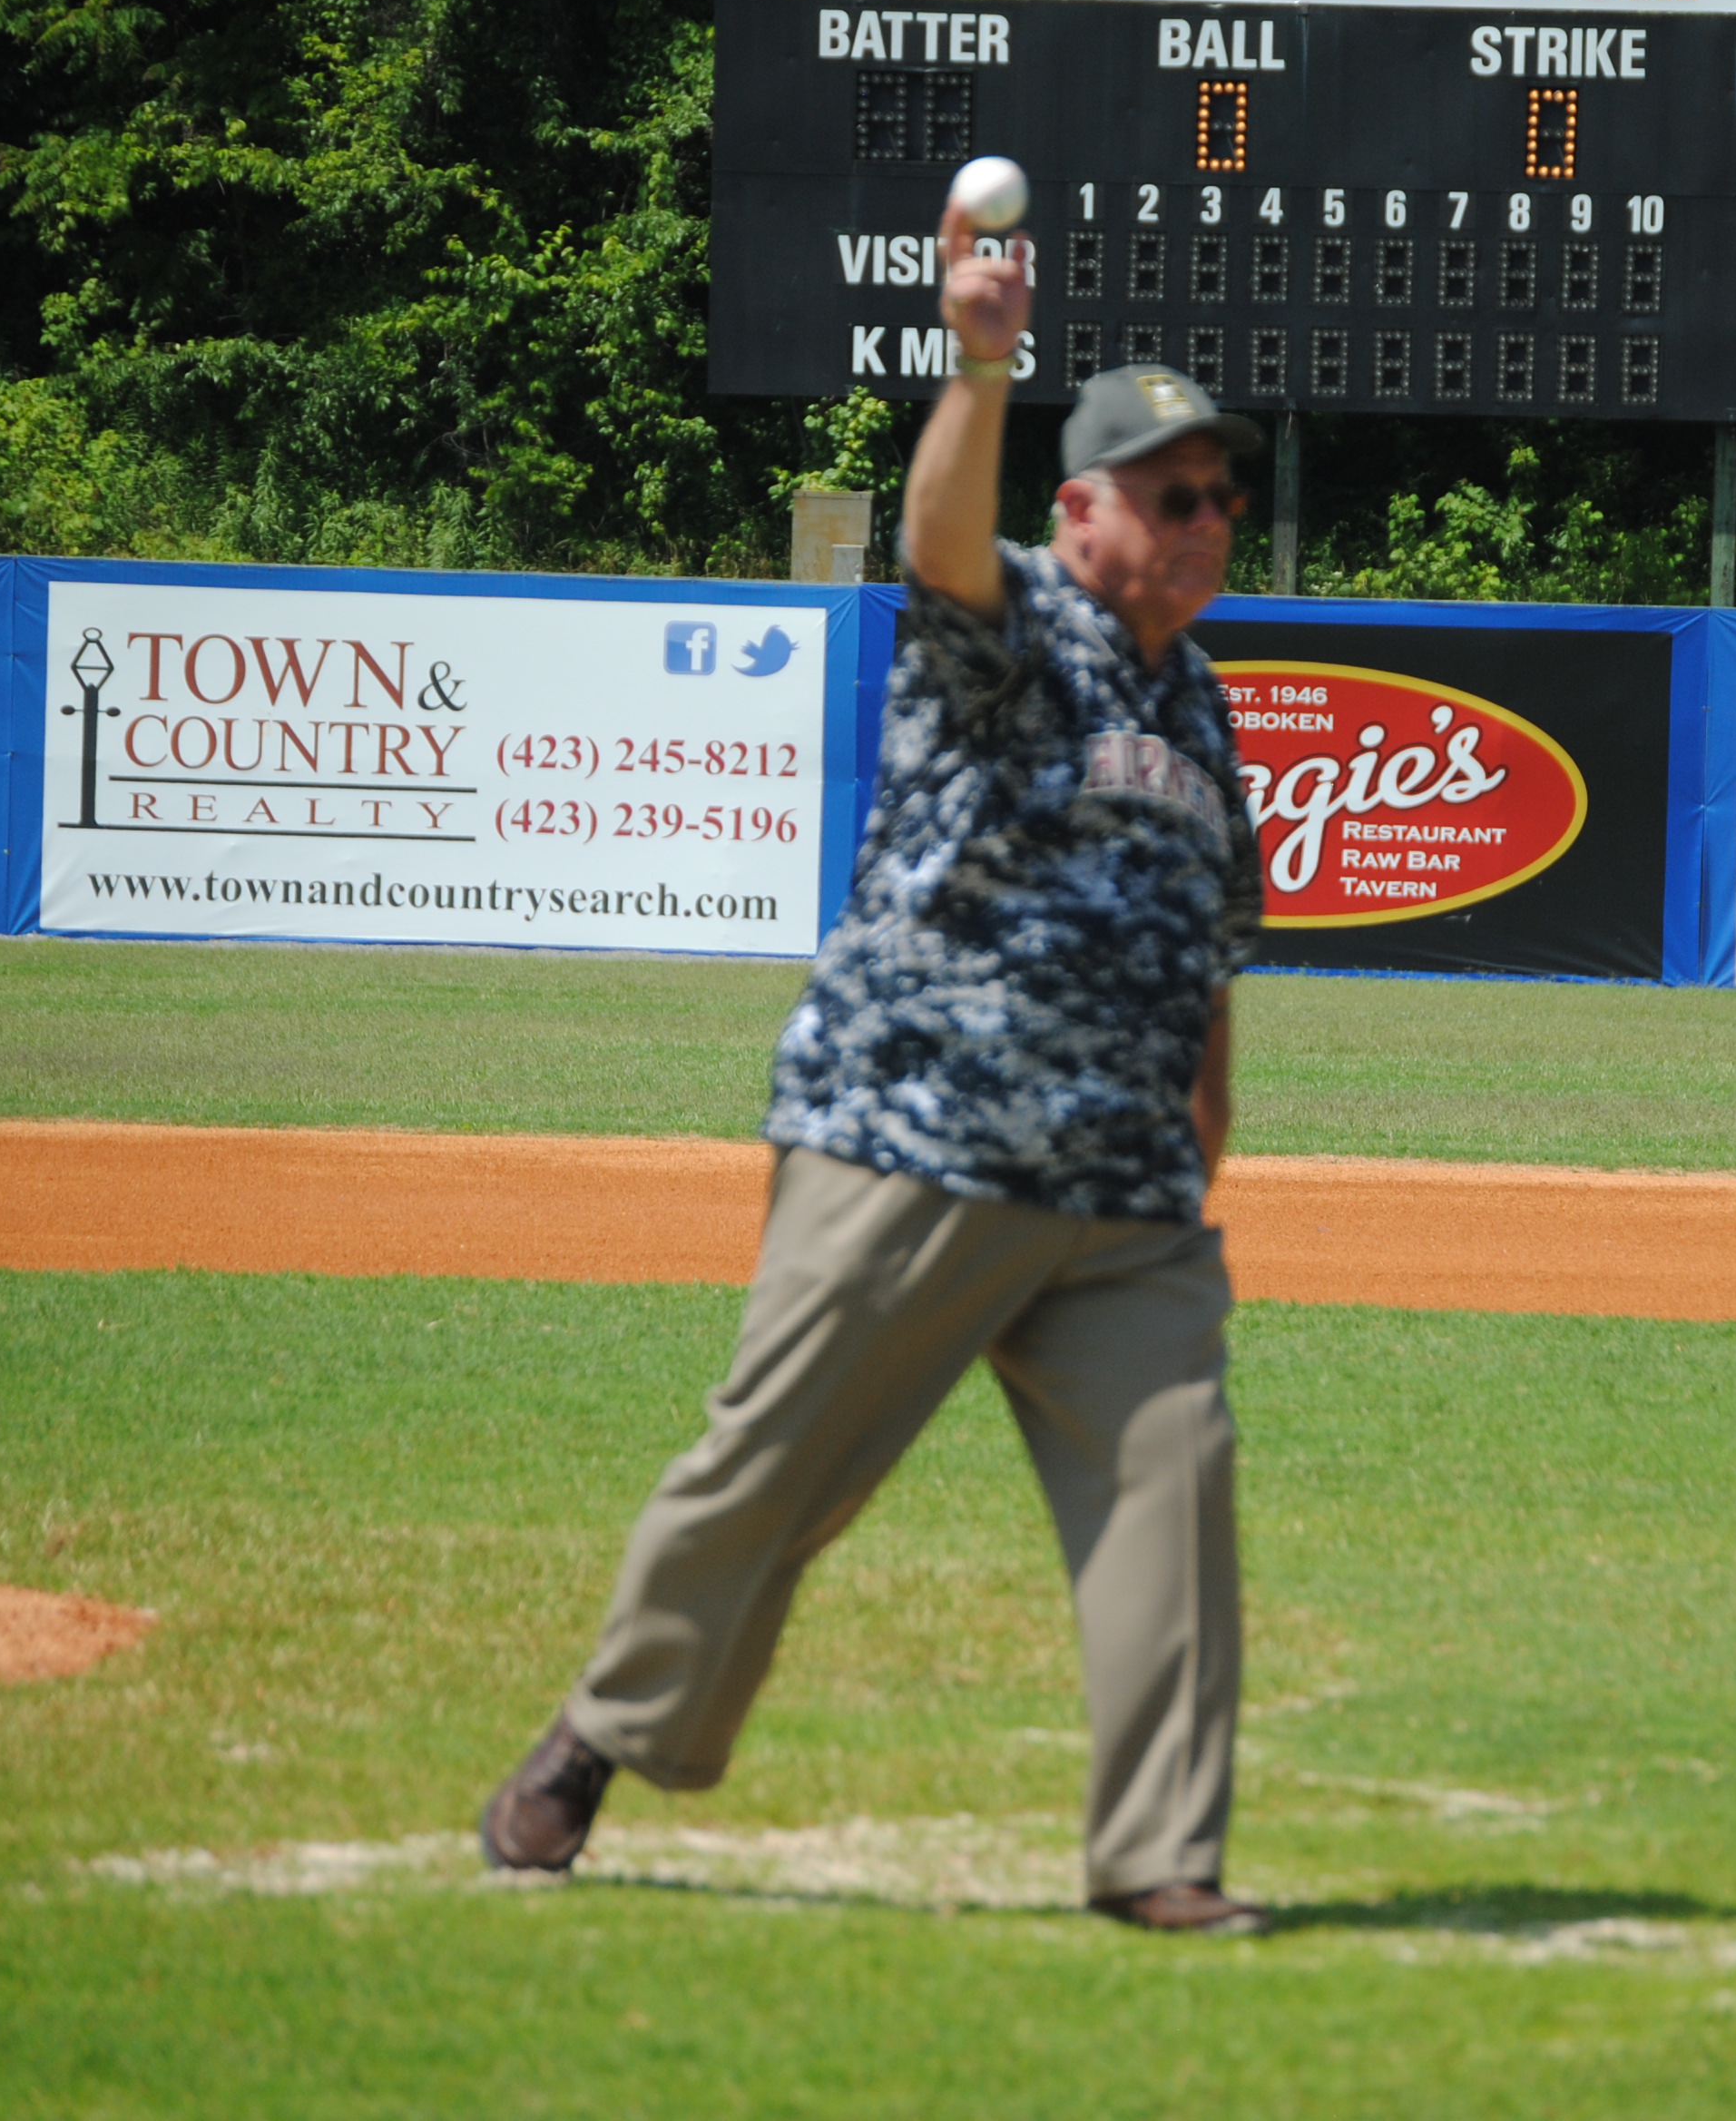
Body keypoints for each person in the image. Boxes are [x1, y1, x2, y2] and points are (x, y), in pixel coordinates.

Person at [480, 196, 1273, 1936]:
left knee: (1174, 1496)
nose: (1211, 518)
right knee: (774, 1473)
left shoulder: (1205, 705)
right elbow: (937, 537)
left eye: (1222, 493)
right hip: (917, 1140)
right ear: (1081, 510)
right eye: (1174, 494)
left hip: (1124, 1199)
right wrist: (980, 365)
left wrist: (1205, 1143)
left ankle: (1160, 1856)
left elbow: (1213, 952)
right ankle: (602, 1737)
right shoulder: (1015, 623)